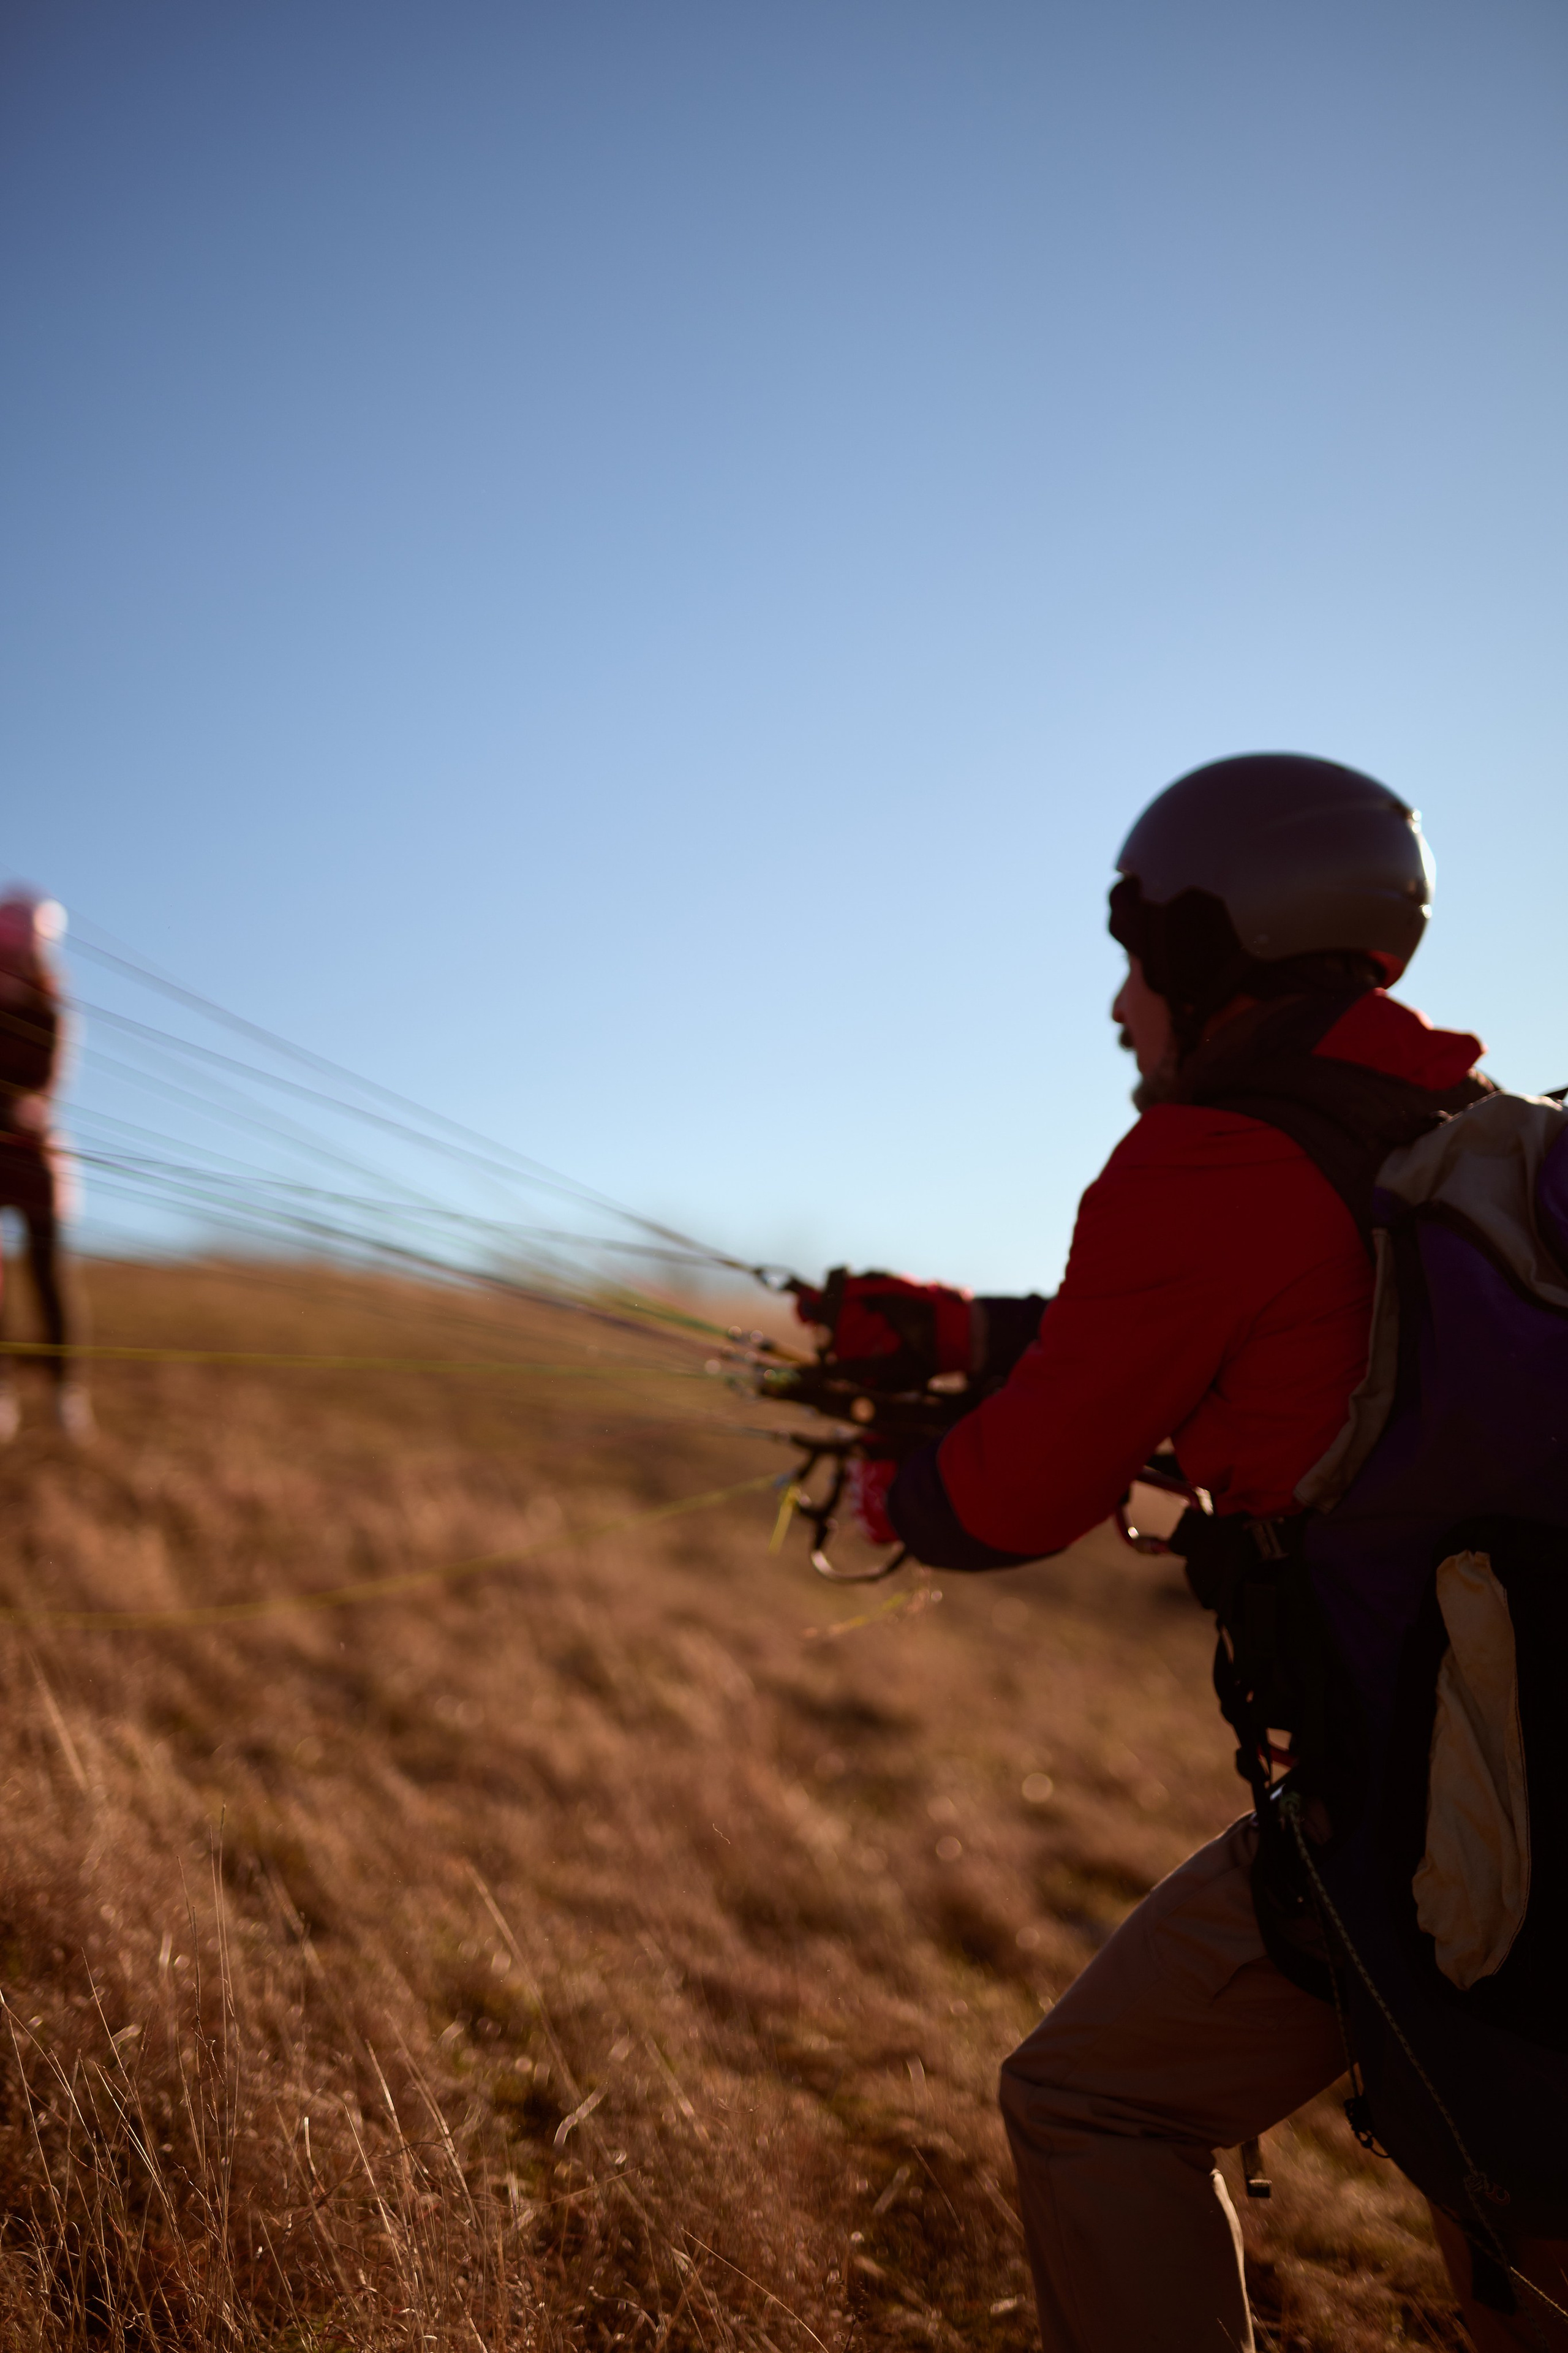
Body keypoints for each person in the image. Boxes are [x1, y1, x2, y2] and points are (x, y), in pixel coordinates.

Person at [803, 755, 1568, 2351]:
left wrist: (891, 1499)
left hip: (1418, 1814)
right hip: (1522, 1777)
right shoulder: (1458, 1137)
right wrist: (951, 1334)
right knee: (1505, 2229)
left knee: (1094, 2100)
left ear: (1213, 942)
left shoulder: (1208, 1159)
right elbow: (1209, 1328)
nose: (1118, 1006)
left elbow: (1018, 1493)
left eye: (1136, 957)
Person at [0, 890, 91, 1441]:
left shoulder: (51, 1012)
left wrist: (23, 1108)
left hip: (35, 1159)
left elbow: (44, 1089)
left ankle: (65, 1391)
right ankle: (3, 1392)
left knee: (48, 1275)